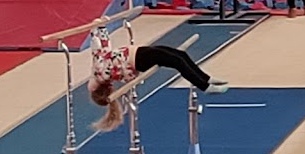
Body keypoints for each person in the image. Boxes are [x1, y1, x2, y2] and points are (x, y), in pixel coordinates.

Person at [88, 26, 228, 131]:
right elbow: (99, 48)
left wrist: (100, 28)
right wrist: (98, 28)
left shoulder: (107, 76)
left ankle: (206, 79)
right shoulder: (100, 72)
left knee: (180, 55)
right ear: (96, 88)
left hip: (141, 54)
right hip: (141, 58)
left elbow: (104, 50)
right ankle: (204, 86)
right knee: (178, 62)